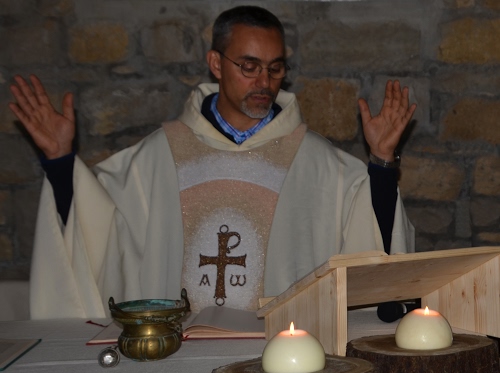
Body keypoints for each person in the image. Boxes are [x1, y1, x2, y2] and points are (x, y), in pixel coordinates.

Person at [8, 6, 415, 319]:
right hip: (174, 353)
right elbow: (97, 228)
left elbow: (369, 241)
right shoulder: (161, 154)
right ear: (216, 64)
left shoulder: (317, 162)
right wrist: (60, 162)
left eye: (275, 69)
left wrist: (381, 163)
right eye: (249, 67)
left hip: (280, 353)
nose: (264, 82)